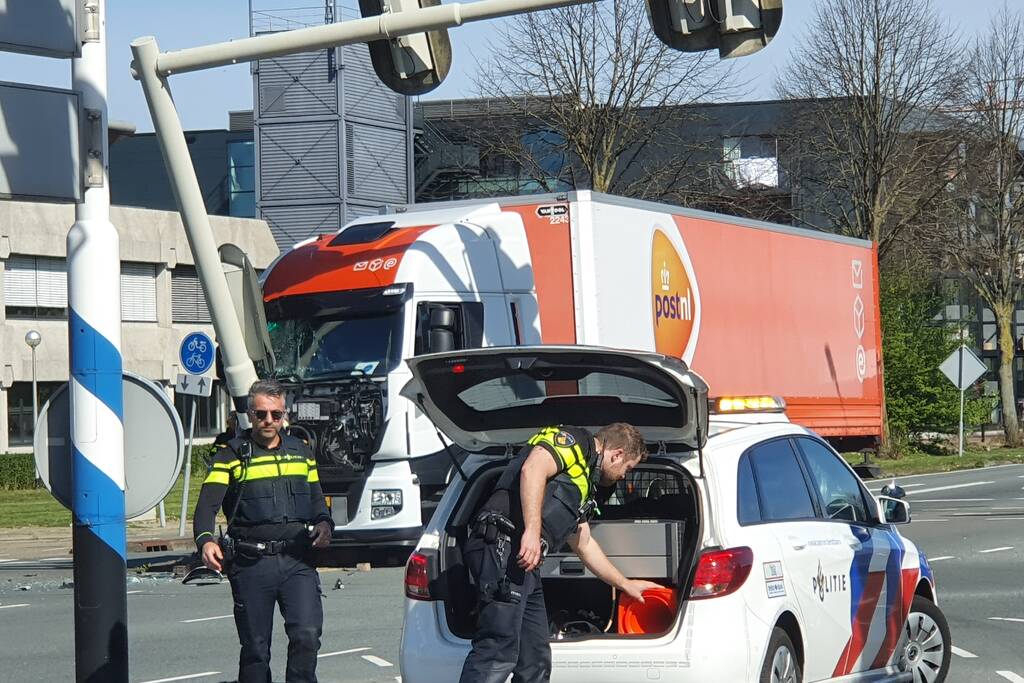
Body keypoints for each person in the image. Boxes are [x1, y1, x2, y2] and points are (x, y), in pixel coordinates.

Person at [459, 423, 662, 683]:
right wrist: (532, 531)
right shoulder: (575, 441)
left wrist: (625, 584)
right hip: (502, 545)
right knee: (498, 649)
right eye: (628, 468)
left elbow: (584, 543)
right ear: (617, 454)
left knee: (535, 659)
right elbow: (533, 468)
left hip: (523, 563)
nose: (624, 476)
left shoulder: (583, 481)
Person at [192, 379, 334, 683]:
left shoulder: (302, 453)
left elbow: (317, 503)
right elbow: (206, 507)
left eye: (275, 414)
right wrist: (205, 541)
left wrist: (325, 524)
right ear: (249, 415)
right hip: (251, 563)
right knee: (256, 649)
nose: (268, 420)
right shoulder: (231, 455)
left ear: (284, 415)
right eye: (261, 414)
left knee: (307, 635)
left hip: (297, 561)